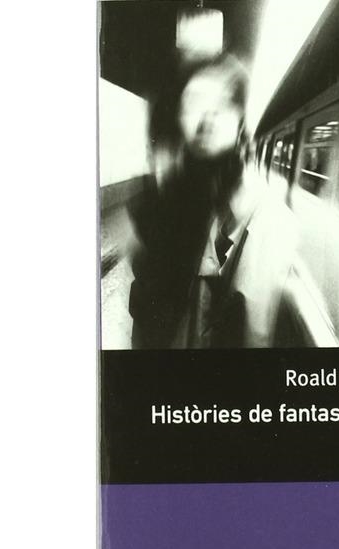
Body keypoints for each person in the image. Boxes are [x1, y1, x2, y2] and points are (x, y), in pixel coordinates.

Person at [128, 52, 299, 349]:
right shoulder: (164, 205)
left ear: (240, 121)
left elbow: (255, 338)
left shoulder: (269, 220)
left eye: (222, 104)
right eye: (194, 103)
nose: (207, 118)